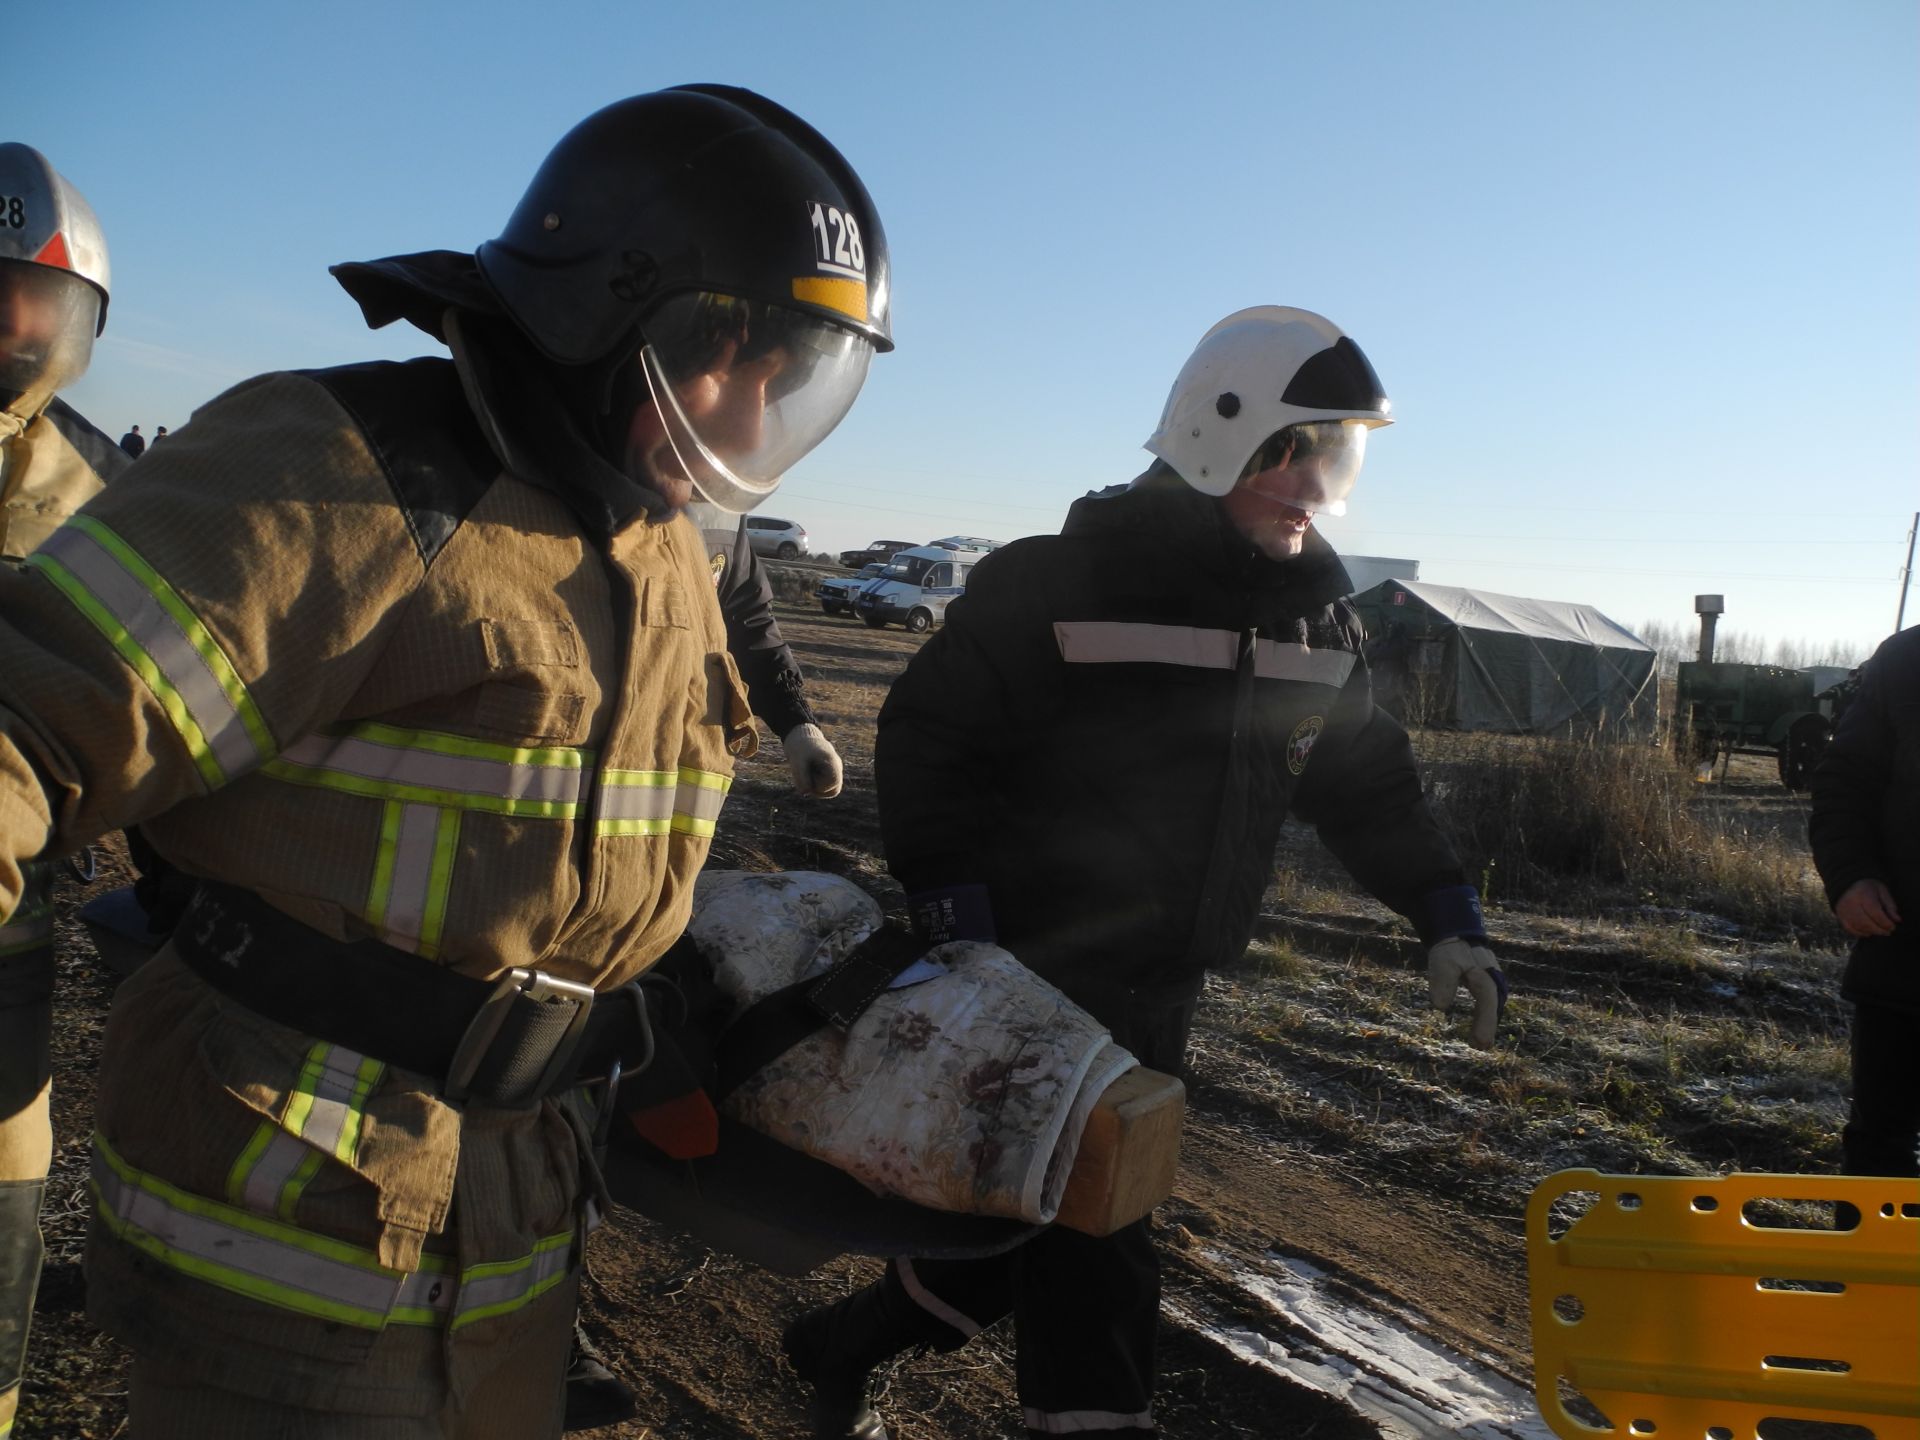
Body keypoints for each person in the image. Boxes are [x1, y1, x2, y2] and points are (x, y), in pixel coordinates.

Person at [0, 85, 891, 1437]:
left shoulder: (664, 546)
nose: (757, 409)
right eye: (738, 350)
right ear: (605, 305)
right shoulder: (348, 471)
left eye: (795, 375)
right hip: (284, 1220)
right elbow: (25, 727)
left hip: (512, 1219)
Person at [784, 307, 1506, 1440]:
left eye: (1341, 458)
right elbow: (931, 739)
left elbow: (1369, 788)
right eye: (1299, 452)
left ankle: (837, 1348)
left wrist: (1443, 914)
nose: (1318, 486)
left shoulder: (1318, 626)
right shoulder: (1061, 584)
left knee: (1019, 1222)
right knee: (1098, 1226)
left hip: (1166, 981)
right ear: (1220, 436)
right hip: (1024, 967)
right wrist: (955, 914)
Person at [0, 139, 126, 1440]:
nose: (10, 330)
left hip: (17, 906)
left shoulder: (99, 487)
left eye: (31, 303)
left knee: (5, 1164)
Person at [1809, 625, 1918, 1178]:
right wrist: (1851, 877)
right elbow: (1844, 783)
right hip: (1906, 962)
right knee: (1881, 1151)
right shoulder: (1906, 660)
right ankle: (1870, 1268)